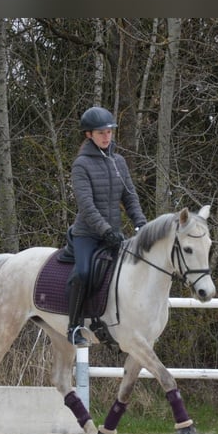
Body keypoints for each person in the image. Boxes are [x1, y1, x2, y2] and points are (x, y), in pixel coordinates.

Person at [66, 106, 148, 346]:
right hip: (88, 234)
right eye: (101, 132)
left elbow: (130, 197)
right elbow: (87, 206)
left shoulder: (118, 162)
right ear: (88, 135)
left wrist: (141, 224)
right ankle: (73, 326)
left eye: (109, 132)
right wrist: (105, 231)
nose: (106, 136)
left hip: (114, 234)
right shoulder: (81, 165)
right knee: (83, 273)